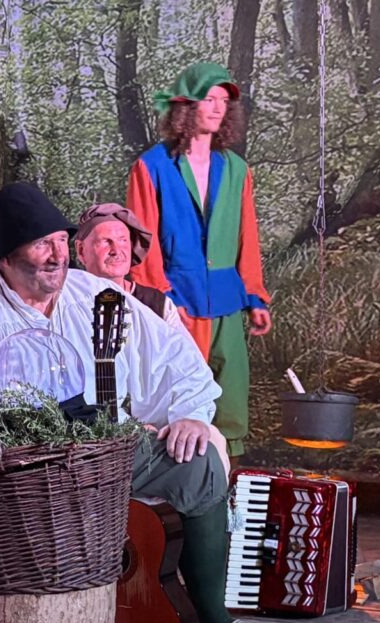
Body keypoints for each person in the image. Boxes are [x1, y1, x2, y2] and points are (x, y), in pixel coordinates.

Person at [0, 181, 288, 623]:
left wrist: (188, 413)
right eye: (42, 244)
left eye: (61, 241)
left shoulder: (98, 295)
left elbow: (173, 357)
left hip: (111, 453)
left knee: (199, 464)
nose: (57, 255)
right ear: (7, 255)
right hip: (28, 478)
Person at [126, 62, 272, 460]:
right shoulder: (151, 166)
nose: (218, 107)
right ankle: (183, 484)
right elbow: (142, 241)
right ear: (185, 106)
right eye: (209, 98)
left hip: (226, 300)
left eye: (224, 100)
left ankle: (229, 486)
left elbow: (247, 237)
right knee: (182, 402)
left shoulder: (236, 169)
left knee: (231, 404)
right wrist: (161, 299)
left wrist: (255, 297)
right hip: (178, 301)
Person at [74, 201, 229, 478]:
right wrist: (124, 425)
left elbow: (188, 368)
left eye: (123, 240)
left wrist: (189, 417)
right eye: (105, 241)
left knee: (210, 441)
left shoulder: (156, 305)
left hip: (159, 422)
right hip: (93, 426)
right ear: (81, 251)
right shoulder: (67, 303)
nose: (116, 249)